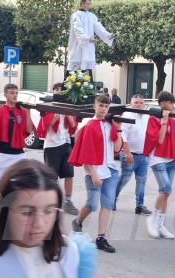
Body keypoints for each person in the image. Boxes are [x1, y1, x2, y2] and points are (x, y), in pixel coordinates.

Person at [0, 159, 87, 277]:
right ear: (4, 211)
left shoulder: (67, 251)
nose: (38, 224)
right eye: (27, 212)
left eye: (48, 211)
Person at [68, 94, 122, 253]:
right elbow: (85, 151)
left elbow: (117, 147)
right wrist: (93, 173)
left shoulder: (109, 125)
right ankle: (77, 221)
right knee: (92, 204)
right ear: (95, 106)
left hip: (111, 169)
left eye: (106, 106)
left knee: (107, 205)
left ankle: (101, 238)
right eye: (101, 105)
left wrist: (118, 128)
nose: (103, 109)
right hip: (95, 170)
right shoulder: (90, 125)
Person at [144, 91, 175, 239]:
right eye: (170, 103)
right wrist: (164, 121)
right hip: (158, 159)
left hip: (172, 160)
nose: (172, 106)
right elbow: (159, 141)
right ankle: (153, 219)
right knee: (165, 189)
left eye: (173, 103)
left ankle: (160, 225)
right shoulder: (153, 120)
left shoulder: (172, 121)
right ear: (162, 104)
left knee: (166, 193)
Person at [37, 83, 79, 215]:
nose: (59, 92)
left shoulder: (67, 107)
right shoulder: (49, 107)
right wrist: (58, 111)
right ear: (53, 92)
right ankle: (50, 203)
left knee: (69, 174)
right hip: (51, 146)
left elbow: (72, 125)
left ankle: (68, 201)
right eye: (56, 90)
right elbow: (49, 123)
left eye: (61, 90)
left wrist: (67, 113)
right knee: (51, 177)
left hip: (65, 143)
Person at [0, 84, 35, 181]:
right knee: (1, 186)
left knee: (19, 185)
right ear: (5, 95)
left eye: (16, 93)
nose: (15, 95)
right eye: (12, 93)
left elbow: (29, 130)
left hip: (19, 154)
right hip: (2, 154)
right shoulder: (0, 111)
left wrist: (28, 113)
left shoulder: (22, 111)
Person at [115, 93, 152, 216]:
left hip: (143, 155)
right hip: (130, 154)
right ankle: (112, 200)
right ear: (131, 103)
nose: (138, 105)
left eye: (141, 103)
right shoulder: (127, 115)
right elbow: (122, 135)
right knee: (124, 179)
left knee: (141, 181)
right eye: (136, 102)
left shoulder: (146, 116)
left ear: (144, 104)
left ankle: (139, 206)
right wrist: (127, 152)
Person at [66, 0, 114, 74]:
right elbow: (77, 29)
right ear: (82, 4)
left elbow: (98, 27)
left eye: (89, 4)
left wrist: (108, 35)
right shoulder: (76, 15)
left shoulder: (92, 16)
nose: (89, 6)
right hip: (78, 45)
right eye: (87, 4)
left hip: (89, 46)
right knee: (75, 69)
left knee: (87, 69)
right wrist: (87, 38)